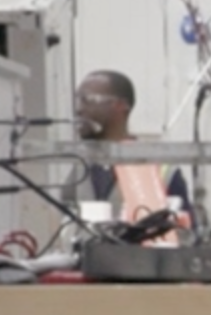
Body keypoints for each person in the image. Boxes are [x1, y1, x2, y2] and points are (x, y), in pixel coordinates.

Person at [72, 69, 190, 234]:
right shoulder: (77, 167)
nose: (79, 110)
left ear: (121, 106)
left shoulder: (158, 168)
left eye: (88, 100)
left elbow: (185, 237)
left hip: (140, 259)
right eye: (77, 101)